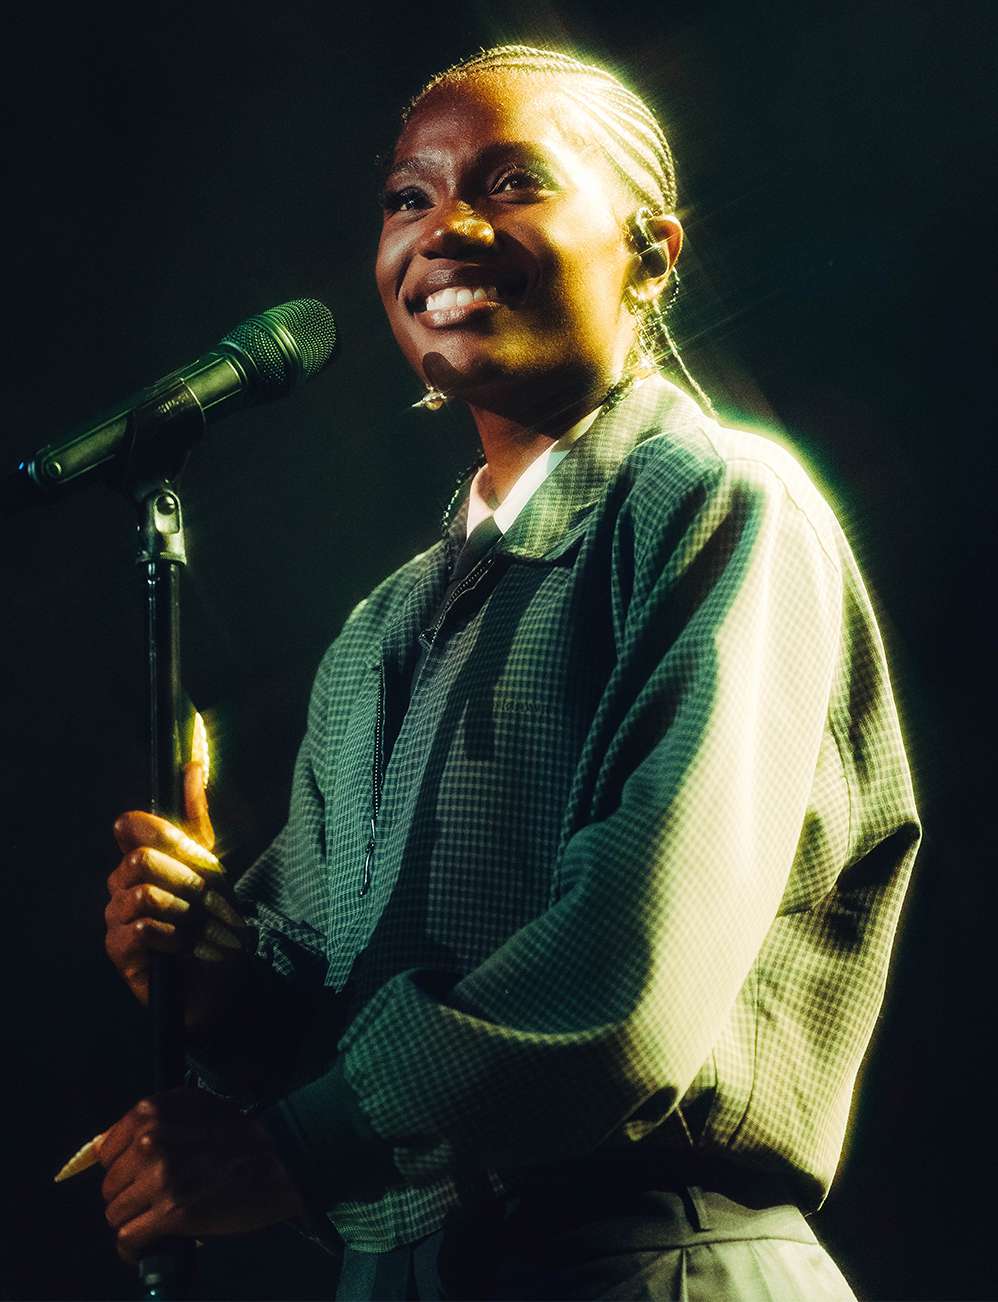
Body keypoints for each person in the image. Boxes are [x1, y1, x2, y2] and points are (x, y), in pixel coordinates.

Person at [99, 45, 920, 1300]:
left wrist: (294, 1149)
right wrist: (216, 978)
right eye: (406, 199)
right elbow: (328, 1019)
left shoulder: (714, 504)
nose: (445, 230)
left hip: (646, 1260)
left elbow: (625, 973)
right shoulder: (384, 628)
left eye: (513, 181)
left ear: (651, 253)